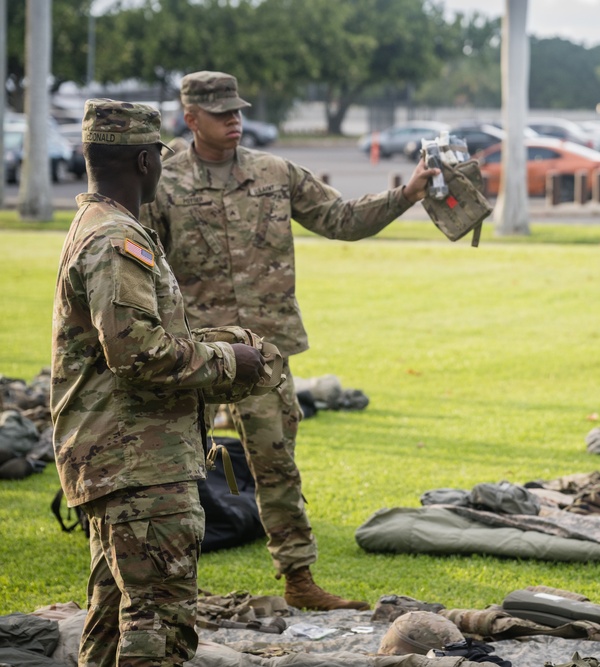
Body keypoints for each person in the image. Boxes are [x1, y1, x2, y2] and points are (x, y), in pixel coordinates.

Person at [141, 71, 439, 611]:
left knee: (276, 463)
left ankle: (298, 581)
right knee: (176, 467)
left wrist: (408, 194)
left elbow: (341, 219)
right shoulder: (163, 182)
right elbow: (146, 268)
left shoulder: (274, 173)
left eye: (238, 111)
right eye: (221, 113)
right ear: (190, 118)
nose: (235, 120)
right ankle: (168, 584)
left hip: (263, 350)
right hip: (193, 354)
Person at [51, 99, 266, 667]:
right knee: (159, 631)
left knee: (110, 623)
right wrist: (230, 362)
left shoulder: (98, 225)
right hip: (137, 465)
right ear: (146, 161)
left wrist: (217, 339)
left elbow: (129, 337)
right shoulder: (115, 238)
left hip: (120, 462)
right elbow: (135, 353)